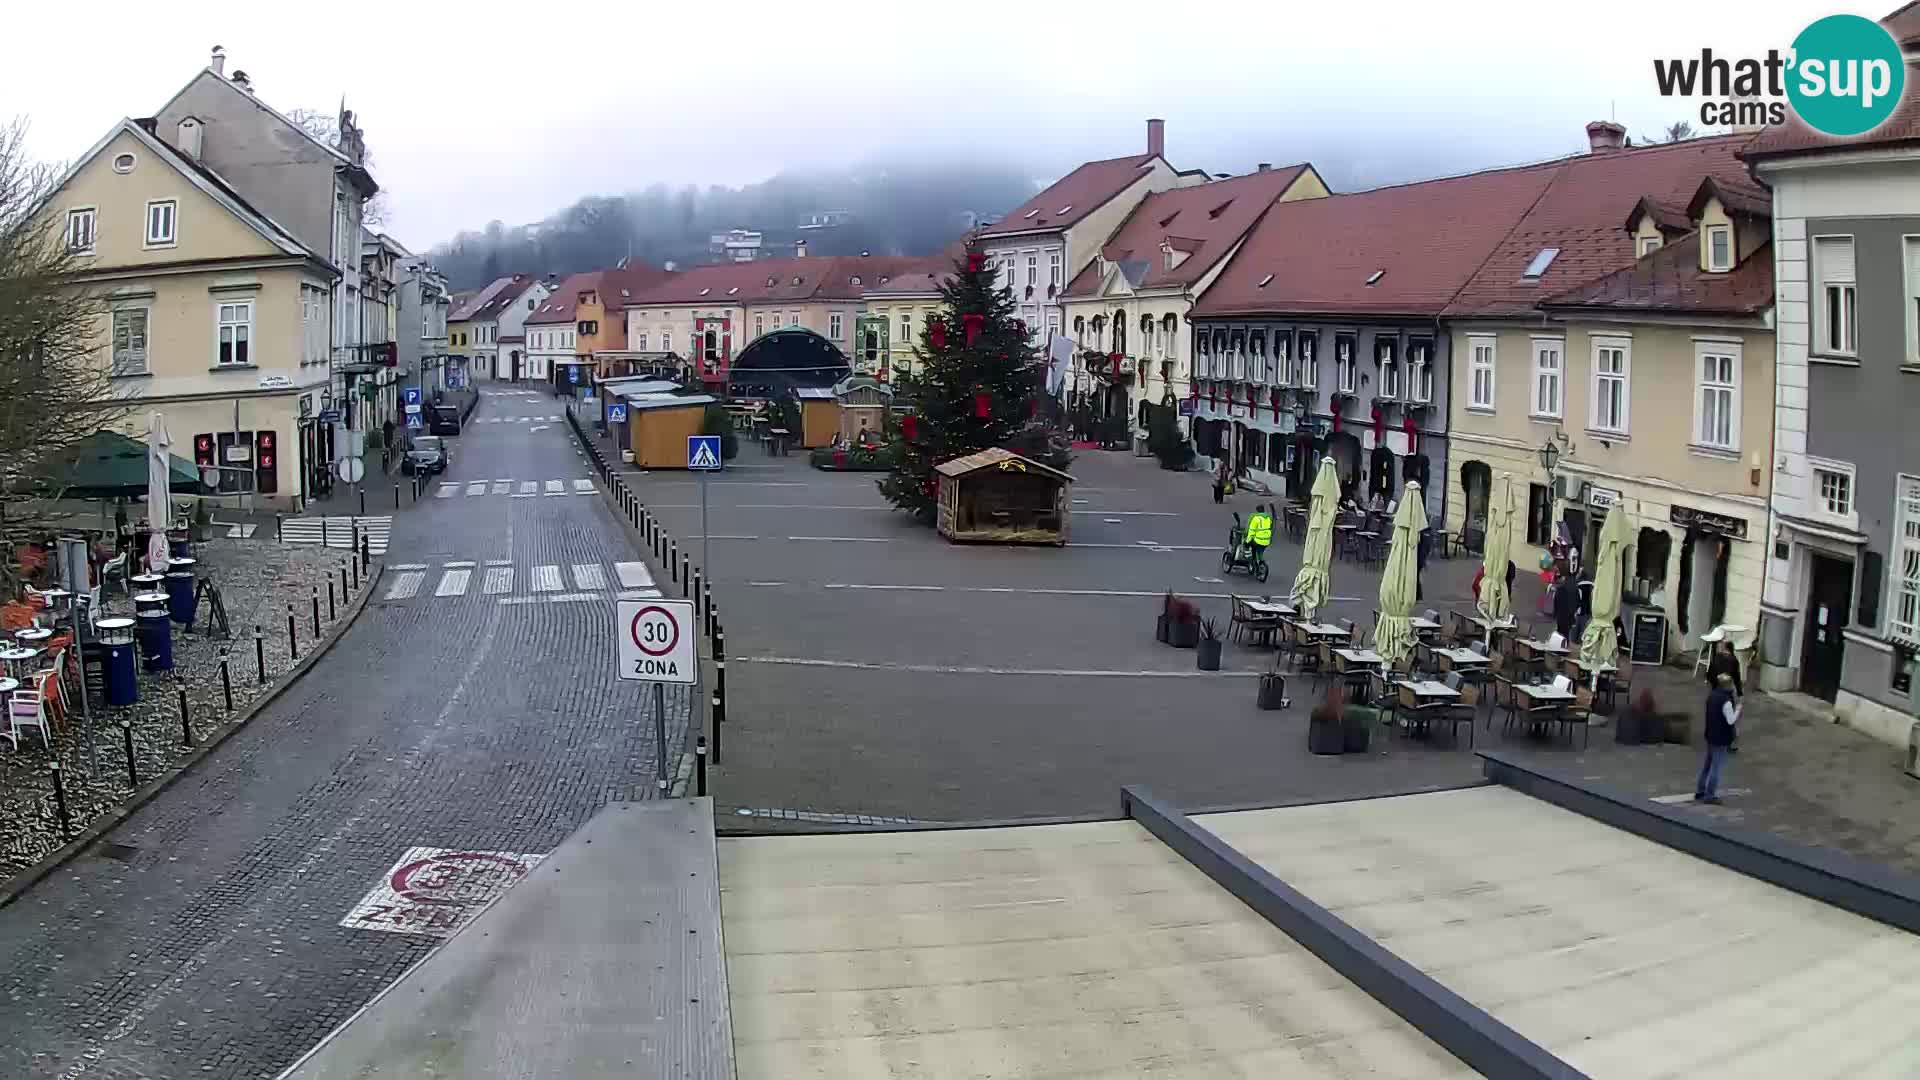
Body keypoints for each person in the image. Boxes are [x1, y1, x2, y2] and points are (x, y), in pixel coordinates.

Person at [1696, 673, 1739, 804]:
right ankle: (1709, 795)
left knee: (1707, 765)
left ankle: (1700, 791)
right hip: (1721, 739)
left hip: (1710, 735)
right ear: (1728, 686)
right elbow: (1730, 720)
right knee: (1716, 767)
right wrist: (1738, 710)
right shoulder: (1726, 701)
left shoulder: (1712, 695)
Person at [1706, 638, 1744, 751]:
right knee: (1729, 716)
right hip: (1727, 691)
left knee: (1714, 715)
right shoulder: (1734, 660)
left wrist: (1713, 685)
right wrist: (1740, 693)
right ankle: (1729, 743)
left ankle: (1713, 738)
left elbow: (1708, 675)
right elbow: (1737, 678)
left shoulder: (1716, 658)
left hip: (1715, 691)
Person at [1245, 503, 1273, 569]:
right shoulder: (1268, 518)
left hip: (1258, 540)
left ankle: (1250, 558)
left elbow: (1251, 531)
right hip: (1267, 541)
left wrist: (1247, 541)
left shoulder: (1256, 519)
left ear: (1257, 511)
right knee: (1260, 551)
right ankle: (1260, 561)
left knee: (1249, 546)